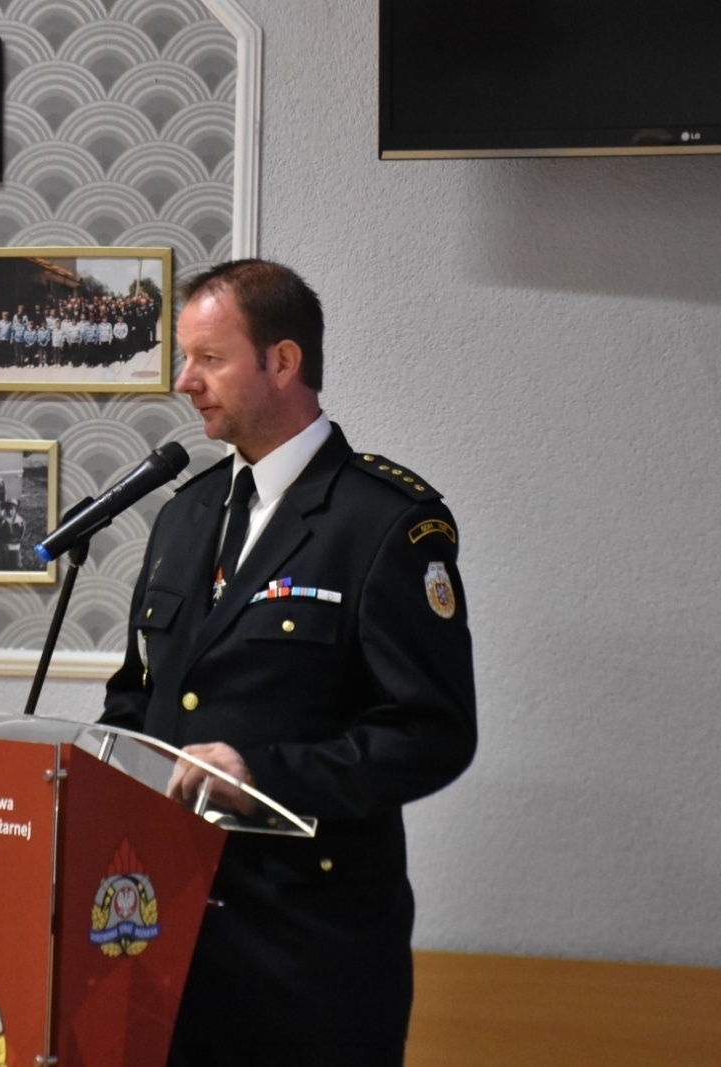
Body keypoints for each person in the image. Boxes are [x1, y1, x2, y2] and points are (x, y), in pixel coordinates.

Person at [100, 259, 477, 1067]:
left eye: (208, 358)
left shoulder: (383, 524)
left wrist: (265, 773)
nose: (184, 380)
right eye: (184, 359)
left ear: (282, 361)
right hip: (162, 935)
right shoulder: (185, 515)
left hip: (308, 960)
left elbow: (433, 731)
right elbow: (139, 698)